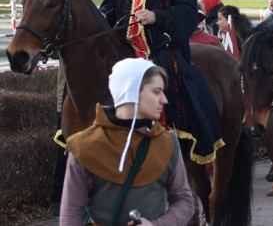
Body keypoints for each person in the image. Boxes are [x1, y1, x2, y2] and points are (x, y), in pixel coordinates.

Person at [100, 0, 224, 166]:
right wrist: (101, 16)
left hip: (161, 45)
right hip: (125, 45)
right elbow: (110, 6)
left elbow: (189, 14)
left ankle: (180, 134)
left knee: (173, 75)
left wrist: (157, 16)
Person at [60, 58, 194, 225]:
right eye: (156, 91)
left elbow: (184, 201)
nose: (164, 100)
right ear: (132, 91)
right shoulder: (84, 145)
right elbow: (70, 214)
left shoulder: (167, 142)